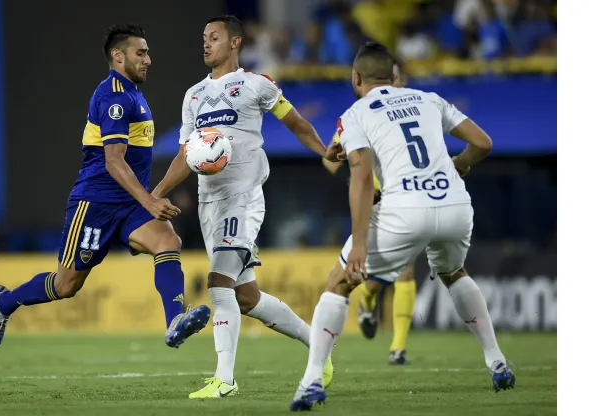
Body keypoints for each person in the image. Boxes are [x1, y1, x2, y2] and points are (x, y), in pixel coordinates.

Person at [290, 41, 515, 411]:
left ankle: (311, 379)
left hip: (405, 209)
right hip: (456, 205)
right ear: (393, 77)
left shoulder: (356, 113)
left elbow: (360, 178)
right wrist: (459, 164)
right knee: (454, 272)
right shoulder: (428, 98)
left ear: (356, 77)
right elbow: (483, 143)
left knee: (339, 281)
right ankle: (497, 361)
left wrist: (359, 242)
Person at [0, 24, 210, 350]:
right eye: (140, 53)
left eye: (147, 52)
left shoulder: (134, 94)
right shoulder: (113, 97)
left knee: (167, 240)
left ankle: (174, 320)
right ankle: (3, 304)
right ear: (119, 57)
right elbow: (113, 162)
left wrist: (148, 199)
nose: (148, 59)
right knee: (65, 285)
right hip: (95, 204)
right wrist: (149, 200)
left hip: (129, 204)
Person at [151, 15, 343, 399]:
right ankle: (318, 345)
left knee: (218, 283)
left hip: (244, 197)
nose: (206, 44)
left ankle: (225, 380)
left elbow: (298, 123)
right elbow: (187, 154)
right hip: (210, 202)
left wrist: (326, 152)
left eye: (214, 37)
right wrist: (155, 194)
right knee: (246, 297)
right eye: (203, 37)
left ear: (235, 42)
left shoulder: (256, 84)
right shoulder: (193, 95)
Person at [322, 61, 415, 365]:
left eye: (399, 78)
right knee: (367, 277)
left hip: (404, 202)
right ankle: (369, 299)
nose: (395, 82)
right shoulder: (358, 116)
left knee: (406, 269)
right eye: (392, 77)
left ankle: (398, 348)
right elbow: (329, 161)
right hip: (371, 205)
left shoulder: (413, 112)